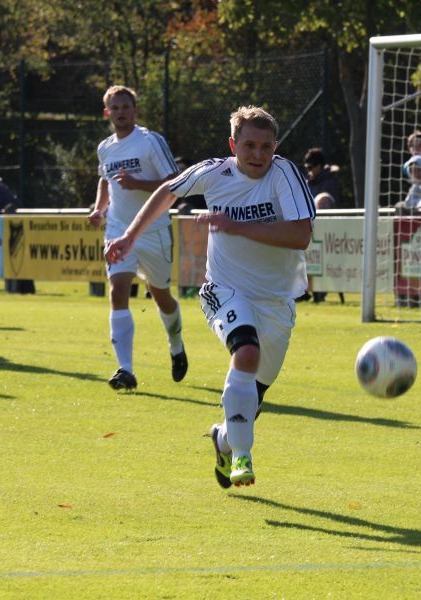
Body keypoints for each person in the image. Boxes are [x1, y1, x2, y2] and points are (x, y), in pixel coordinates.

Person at [105, 105, 315, 488]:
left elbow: (301, 235)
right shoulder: (214, 172)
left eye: (266, 147)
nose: (258, 154)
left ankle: (223, 440)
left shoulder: (284, 174)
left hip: (276, 301)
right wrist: (129, 237)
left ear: (275, 146)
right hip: (224, 289)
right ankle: (243, 457)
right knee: (245, 353)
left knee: (253, 396)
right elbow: (167, 191)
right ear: (233, 145)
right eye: (249, 145)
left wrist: (236, 226)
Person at [88, 85, 187, 390]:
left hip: (154, 231)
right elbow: (105, 181)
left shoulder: (150, 141)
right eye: (115, 108)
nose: (120, 112)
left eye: (125, 107)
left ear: (135, 110)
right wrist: (99, 209)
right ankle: (125, 370)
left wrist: (137, 183)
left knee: (161, 295)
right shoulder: (105, 148)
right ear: (107, 113)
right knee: (118, 291)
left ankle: (176, 345)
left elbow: (175, 182)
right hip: (117, 230)